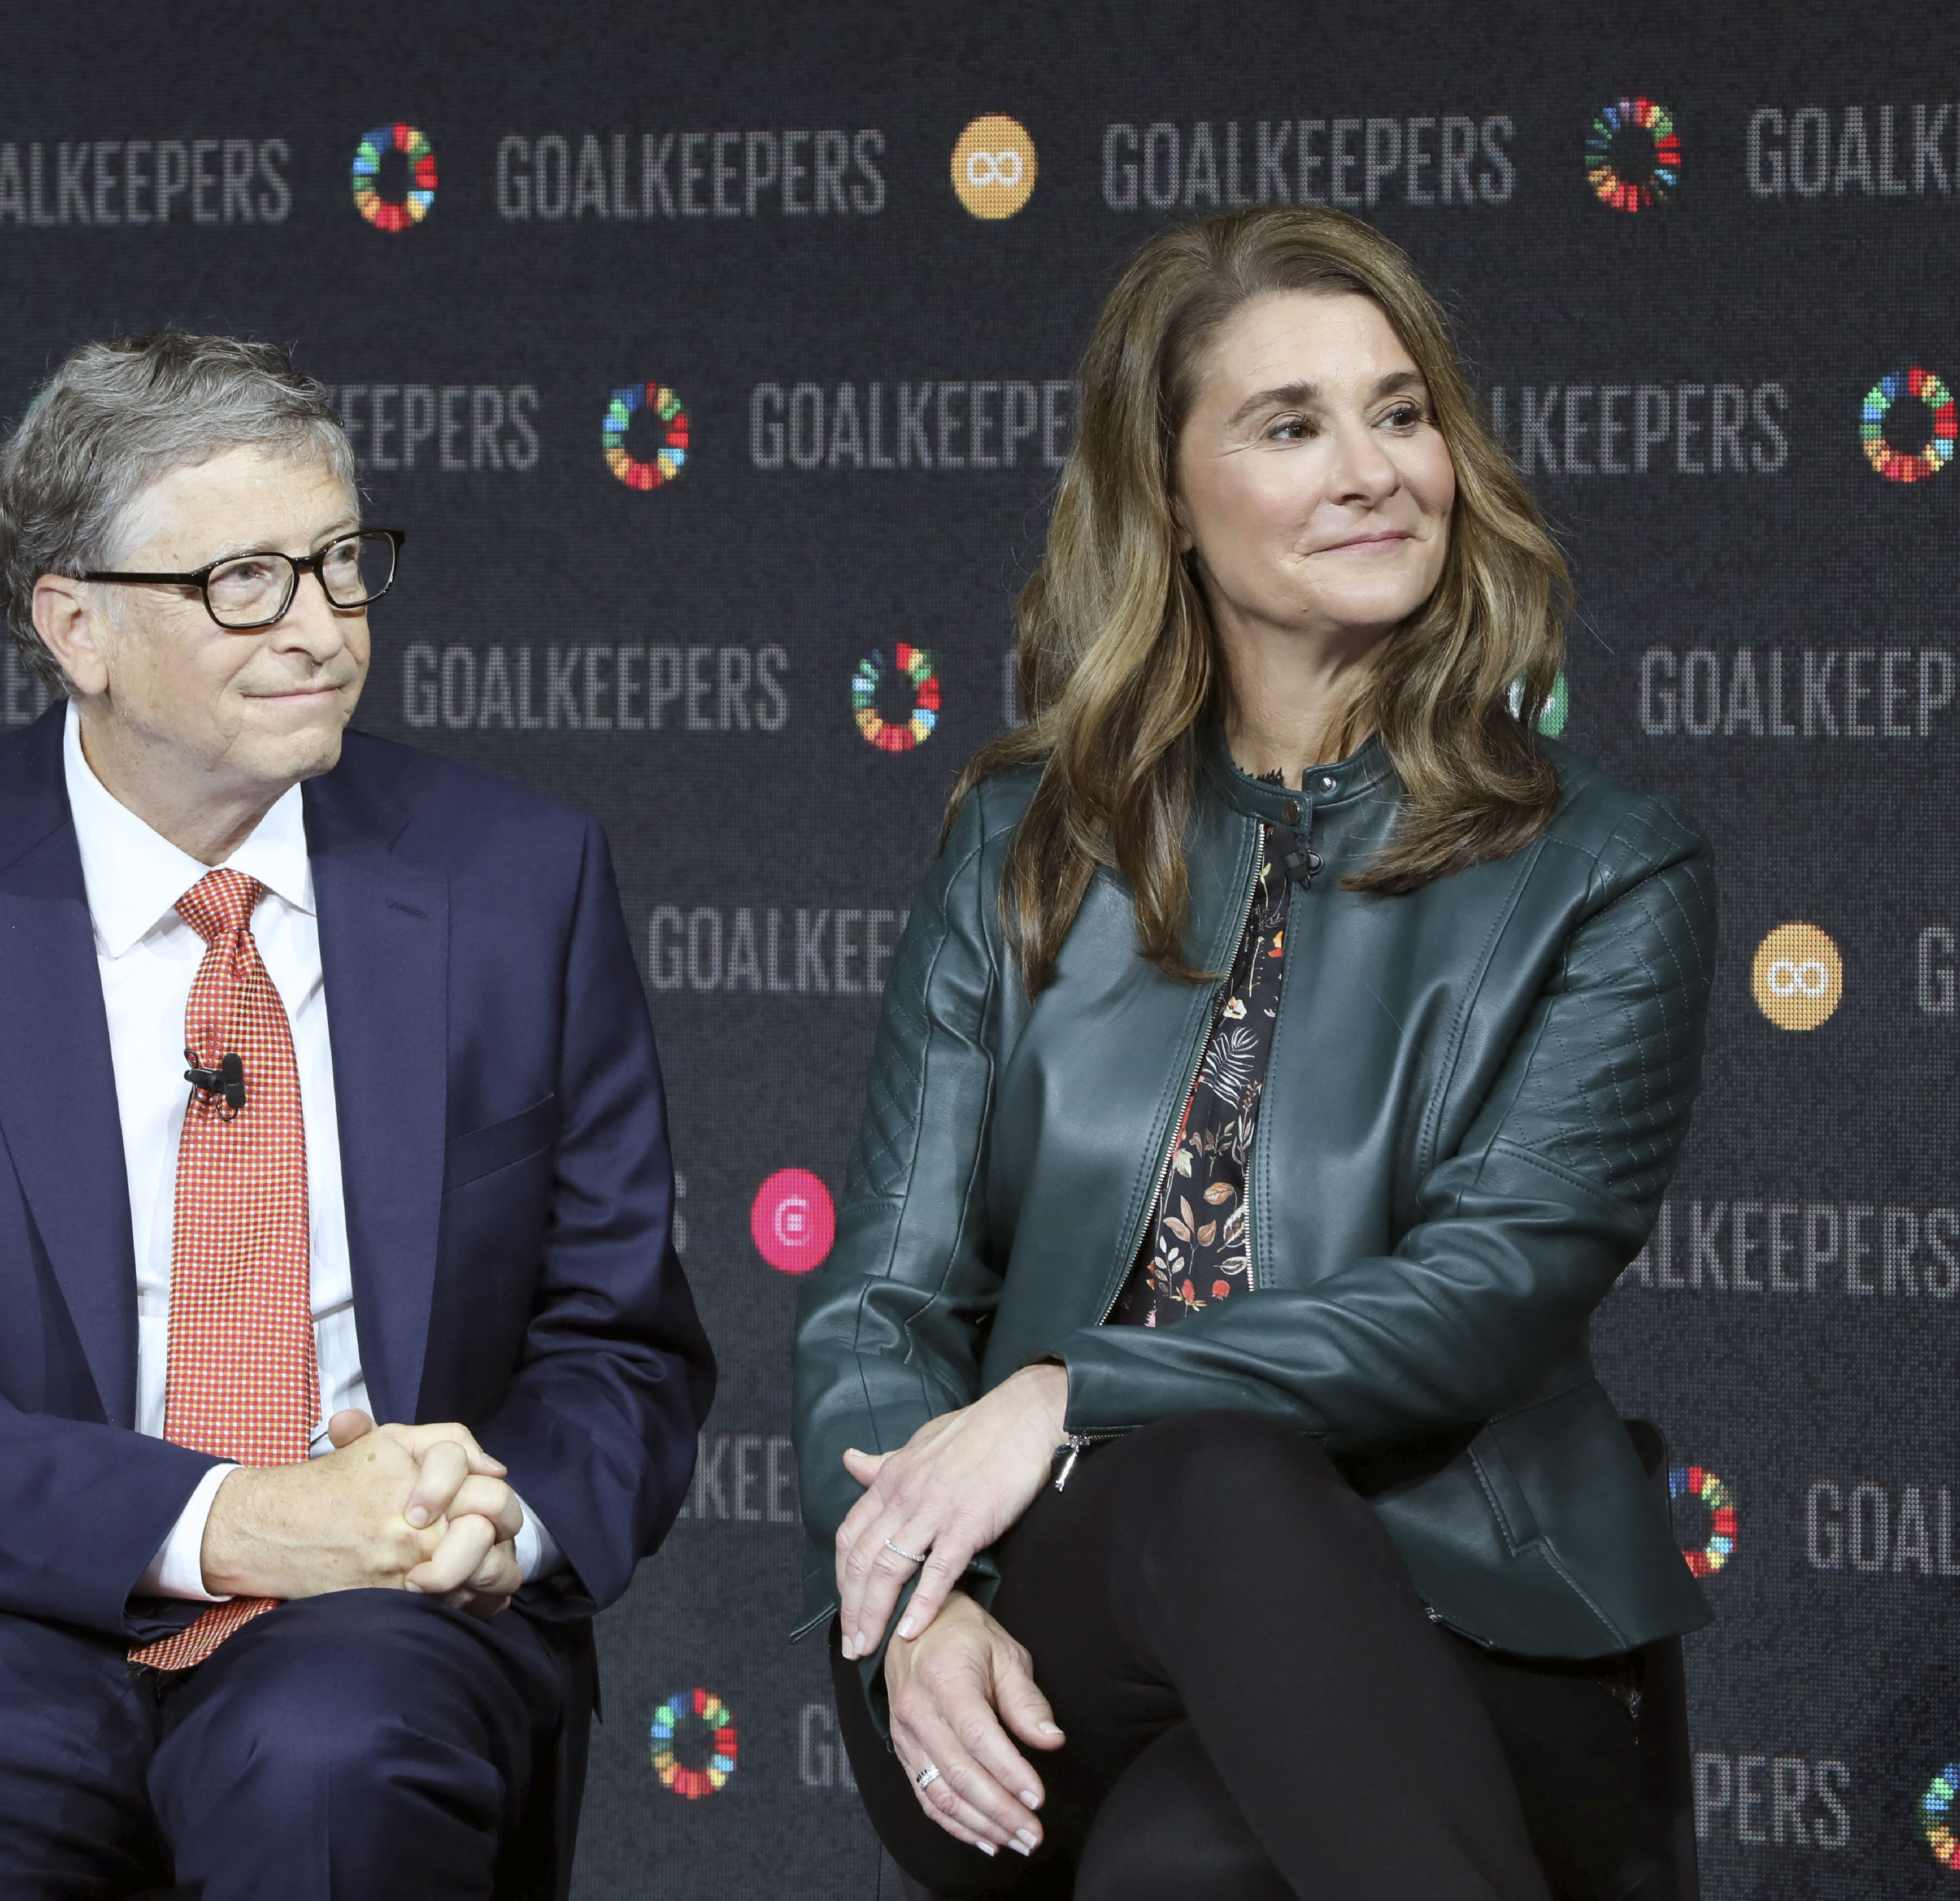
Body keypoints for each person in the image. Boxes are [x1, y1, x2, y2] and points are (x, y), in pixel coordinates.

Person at [0, 333, 715, 1899]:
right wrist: (234, 1520)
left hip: (377, 1615)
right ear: (77, 626)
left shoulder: (518, 881)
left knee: (332, 1774)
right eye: (245, 581)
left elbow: (621, 1348)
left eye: (341, 563)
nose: (320, 627)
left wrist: (484, 1527)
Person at [792, 207, 1715, 1901]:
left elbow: (1483, 1297)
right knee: (1210, 1489)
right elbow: (883, 1303)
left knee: (1191, 1861)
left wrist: (1074, 1391)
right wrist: (920, 1606)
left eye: (1399, 412)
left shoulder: (1600, 869)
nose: (1373, 472)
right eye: (1290, 427)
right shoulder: (1023, 844)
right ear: (1165, 495)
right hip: (1041, 1631)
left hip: (1469, 1623)